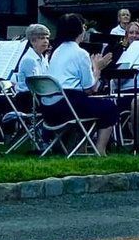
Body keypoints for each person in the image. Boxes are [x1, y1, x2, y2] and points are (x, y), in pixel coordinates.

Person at [40, 14, 118, 154]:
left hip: (48, 108)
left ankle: (79, 148)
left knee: (89, 106)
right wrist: (97, 68)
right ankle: (100, 149)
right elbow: (90, 88)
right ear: (79, 30)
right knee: (109, 106)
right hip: (66, 106)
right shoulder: (80, 53)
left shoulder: (56, 51)